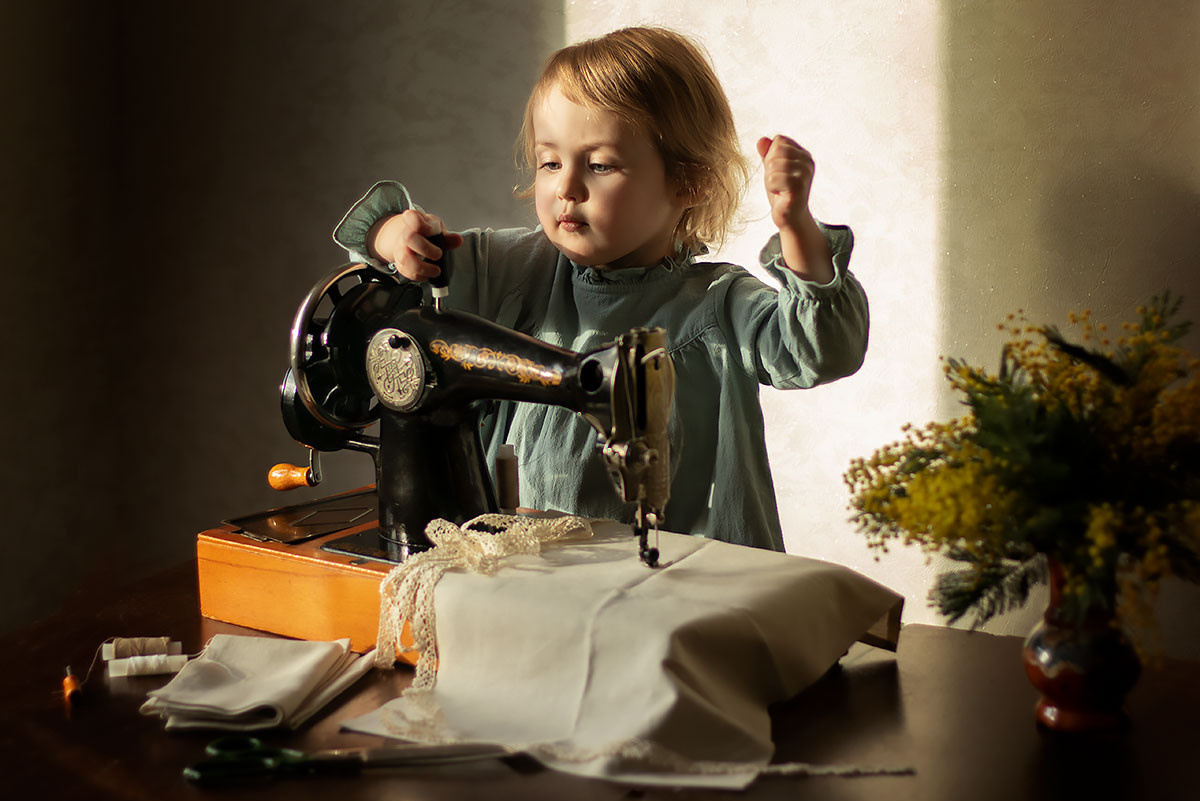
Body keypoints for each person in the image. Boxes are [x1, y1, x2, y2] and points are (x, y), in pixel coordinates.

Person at [332, 26, 867, 551]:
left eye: (599, 165)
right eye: (550, 162)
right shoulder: (517, 270)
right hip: (529, 571)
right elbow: (391, 261)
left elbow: (820, 349)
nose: (566, 187)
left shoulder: (719, 306)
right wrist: (395, 236)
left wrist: (795, 226)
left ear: (690, 182)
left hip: (681, 584)